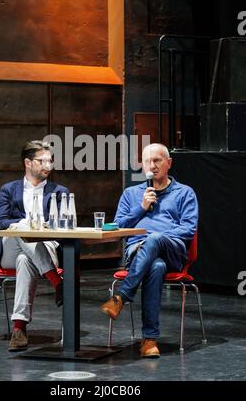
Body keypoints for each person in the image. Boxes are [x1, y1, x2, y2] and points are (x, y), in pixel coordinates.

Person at [99, 143, 198, 358]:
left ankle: (122, 297)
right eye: (147, 161)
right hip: (138, 252)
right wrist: (141, 207)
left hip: (173, 251)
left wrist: (161, 235)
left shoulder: (185, 193)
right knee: (156, 266)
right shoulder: (131, 194)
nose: (152, 166)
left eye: (157, 161)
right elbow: (119, 227)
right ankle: (149, 340)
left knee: (154, 240)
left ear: (168, 163)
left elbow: (188, 229)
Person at [0, 140, 69, 352]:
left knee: (25, 260)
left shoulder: (60, 191)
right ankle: (57, 282)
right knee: (22, 230)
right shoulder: (8, 190)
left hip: (45, 248)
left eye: (50, 161)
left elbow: (64, 227)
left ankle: (19, 329)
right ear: (27, 162)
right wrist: (24, 224)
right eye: (42, 161)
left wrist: (40, 228)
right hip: (10, 248)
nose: (48, 165)